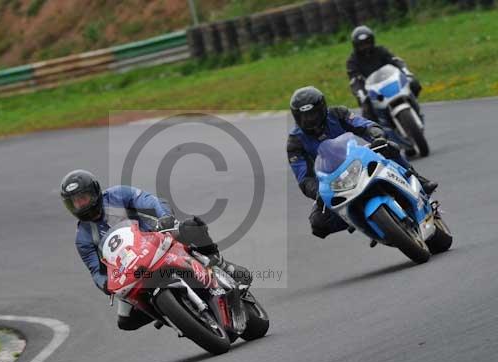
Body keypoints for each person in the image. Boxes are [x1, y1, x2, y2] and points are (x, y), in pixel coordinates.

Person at [60, 169, 252, 330]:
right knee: (126, 322)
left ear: (94, 192)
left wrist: (164, 217)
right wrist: (105, 285)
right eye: (75, 202)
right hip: (131, 272)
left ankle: (222, 265)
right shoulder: (83, 238)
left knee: (191, 226)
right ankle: (167, 312)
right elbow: (95, 270)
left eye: (83, 198)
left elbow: (149, 201)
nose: (80, 204)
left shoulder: (118, 195)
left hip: (156, 241)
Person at [286, 86, 437, 239]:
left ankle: (419, 180)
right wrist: (317, 192)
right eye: (306, 116)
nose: (311, 119)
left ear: (323, 108)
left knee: (388, 147)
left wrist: (376, 136)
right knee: (318, 224)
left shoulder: (338, 113)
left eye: (314, 114)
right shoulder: (295, 142)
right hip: (331, 182)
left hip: (358, 160)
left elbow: (363, 125)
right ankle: (358, 220)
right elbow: (303, 177)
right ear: (297, 117)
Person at [346, 25, 422, 121]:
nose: (365, 47)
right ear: (355, 45)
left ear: (372, 41)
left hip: (389, 81)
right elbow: (354, 79)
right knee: (366, 108)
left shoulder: (381, 50)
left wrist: (406, 72)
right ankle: (377, 133)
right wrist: (360, 93)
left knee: (413, 83)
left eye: (367, 42)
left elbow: (395, 61)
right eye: (361, 45)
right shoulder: (352, 61)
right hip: (371, 91)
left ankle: (415, 108)